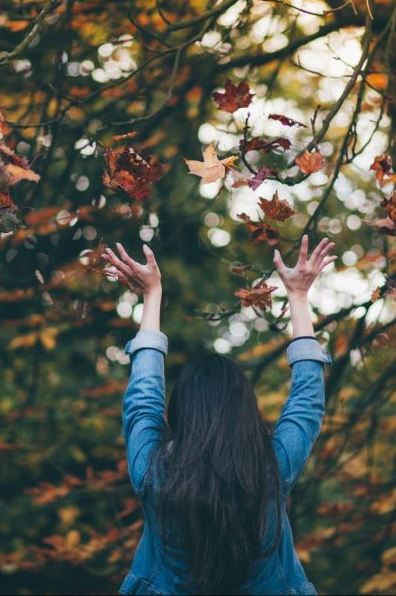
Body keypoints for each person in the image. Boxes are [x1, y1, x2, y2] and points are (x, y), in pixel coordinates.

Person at [101, 235, 337, 595]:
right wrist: (299, 297)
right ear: (246, 412)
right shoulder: (273, 469)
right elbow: (307, 403)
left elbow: (143, 398)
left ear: (181, 412)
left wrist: (152, 296)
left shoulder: (153, 473)